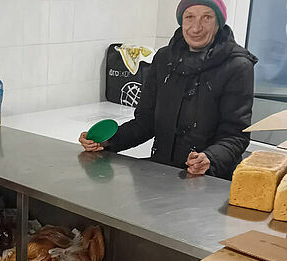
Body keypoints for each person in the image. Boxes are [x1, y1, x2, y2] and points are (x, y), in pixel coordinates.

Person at [79, 0, 258, 180]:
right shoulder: (164, 58)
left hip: (208, 179)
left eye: (207, 17)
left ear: (219, 22)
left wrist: (210, 158)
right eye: (189, 17)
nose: (196, 27)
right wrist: (108, 140)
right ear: (181, 21)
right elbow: (146, 123)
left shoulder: (237, 66)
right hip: (160, 172)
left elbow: (236, 136)